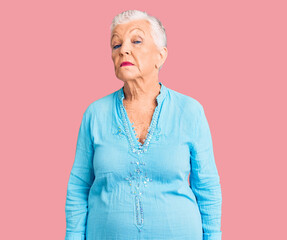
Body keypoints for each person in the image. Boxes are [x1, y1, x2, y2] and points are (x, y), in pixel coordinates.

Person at [64, 10, 222, 240]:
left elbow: (207, 187)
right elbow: (78, 188)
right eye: (116, 45)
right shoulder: (95, 114)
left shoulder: (189, 111)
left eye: (136, 41)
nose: (124, 50)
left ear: (161, 55)